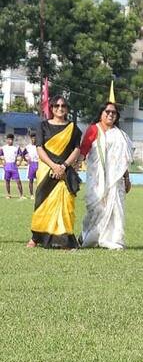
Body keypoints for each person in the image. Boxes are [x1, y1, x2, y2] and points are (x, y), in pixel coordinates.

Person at [28, 96, 82, 249]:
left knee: (64, 204)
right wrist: (53, 166)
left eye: (63, 105)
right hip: (46, 169)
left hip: (65, 171)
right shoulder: (42, 126)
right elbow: (39, 148)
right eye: (56, 105)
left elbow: (76, 149)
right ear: (51, 108)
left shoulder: (73, 128)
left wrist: (63, 166)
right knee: (42, 202)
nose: (60, 108)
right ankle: (36, 237)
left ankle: (64, 240)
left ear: (67, 108)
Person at [79, 102, 134, 250]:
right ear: (101, 113)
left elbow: (123, 161)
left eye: (114, 113)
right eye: (107, 111)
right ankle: (88, 236)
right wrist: (74, 166)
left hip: (116, 181)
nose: (110, 114)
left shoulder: (121, 135)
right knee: (95, 208)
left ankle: (113, 240)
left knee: (116, 209)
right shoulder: (93, 130)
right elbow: (83, 151)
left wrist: (127, 179)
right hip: (96, 178)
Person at [1, 134, 25, 199]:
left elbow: (21, 155)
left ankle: (21, 195)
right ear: (6, 140)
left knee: (18, 181)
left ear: (13, 140)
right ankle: (8, 194)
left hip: (14, 166)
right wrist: (3, 161)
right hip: (7, 166)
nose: (9, 141)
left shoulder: (16, 148)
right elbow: (1, 155)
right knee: (7, 181)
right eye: (8, 139)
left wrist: (19, 162)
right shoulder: (3, 148)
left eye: (11, 139)